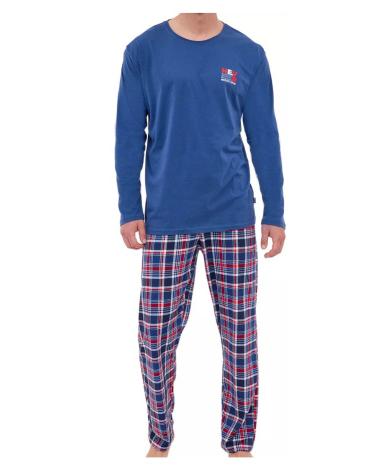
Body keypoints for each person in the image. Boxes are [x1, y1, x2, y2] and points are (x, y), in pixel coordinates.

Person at [114, 13, 286, 458]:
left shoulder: (248, 54)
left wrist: (275, 210)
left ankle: (239, 443)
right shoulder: (142, 52)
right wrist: (130, 206)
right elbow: (129, 133)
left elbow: (264, 135)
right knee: (154, 336)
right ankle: (159, 438)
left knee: (240, 336)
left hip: (233, 216)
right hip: (165, 219)